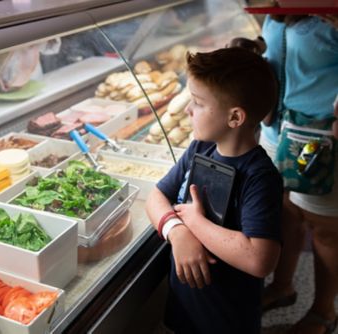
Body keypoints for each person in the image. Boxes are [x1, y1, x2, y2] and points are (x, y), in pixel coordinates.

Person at [146, 47, 282, 334]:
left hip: (227, 317)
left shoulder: (259, 176)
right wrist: (178, 231)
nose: (187, 110)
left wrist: (195, 222)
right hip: (185, 304)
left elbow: (260, 259)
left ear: (235, 118)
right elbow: (157, 196)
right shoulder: (200, 148)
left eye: (197, 102)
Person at [257, 13, 338, 334]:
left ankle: (323, 312)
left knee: (326, 232)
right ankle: (283, 286)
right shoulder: (276, 7)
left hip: (320, 143)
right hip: (276, 132)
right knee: (285, 213)